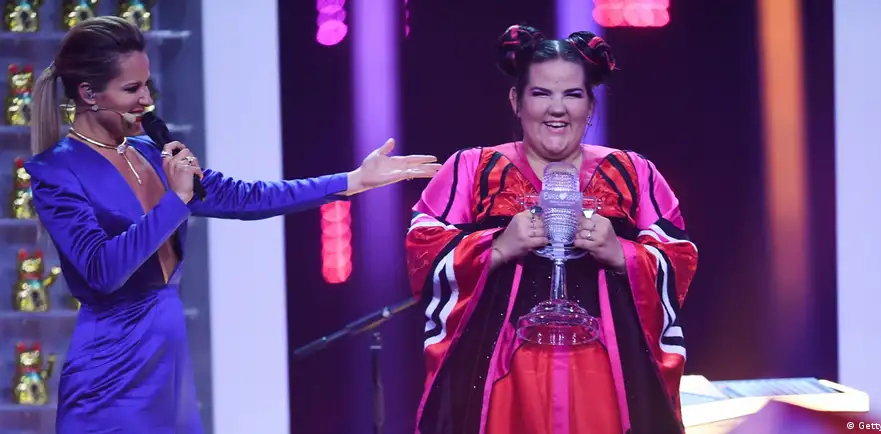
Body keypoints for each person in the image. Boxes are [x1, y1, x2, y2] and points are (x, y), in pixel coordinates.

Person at [26, 16, 440, 434]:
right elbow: (101, 271)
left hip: (168, 364)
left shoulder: (149, 153)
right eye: (132, 89)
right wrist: (176, 200)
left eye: (147, 86)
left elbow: (248, 197)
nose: (146, 100)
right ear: (89, 94)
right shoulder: (56, 171)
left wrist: (353, 181)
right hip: (108, 371)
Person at [405, 24, 698, 434]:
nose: (556, 108)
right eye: (541, 93)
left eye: (573, 94)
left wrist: (624, 255)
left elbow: (679, 256)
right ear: (516, 100)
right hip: (501, 382)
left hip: (606, 380)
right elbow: (422, 249)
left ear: (590, 106)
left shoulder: (633, 173)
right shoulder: (471, 169)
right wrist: (496, 247)